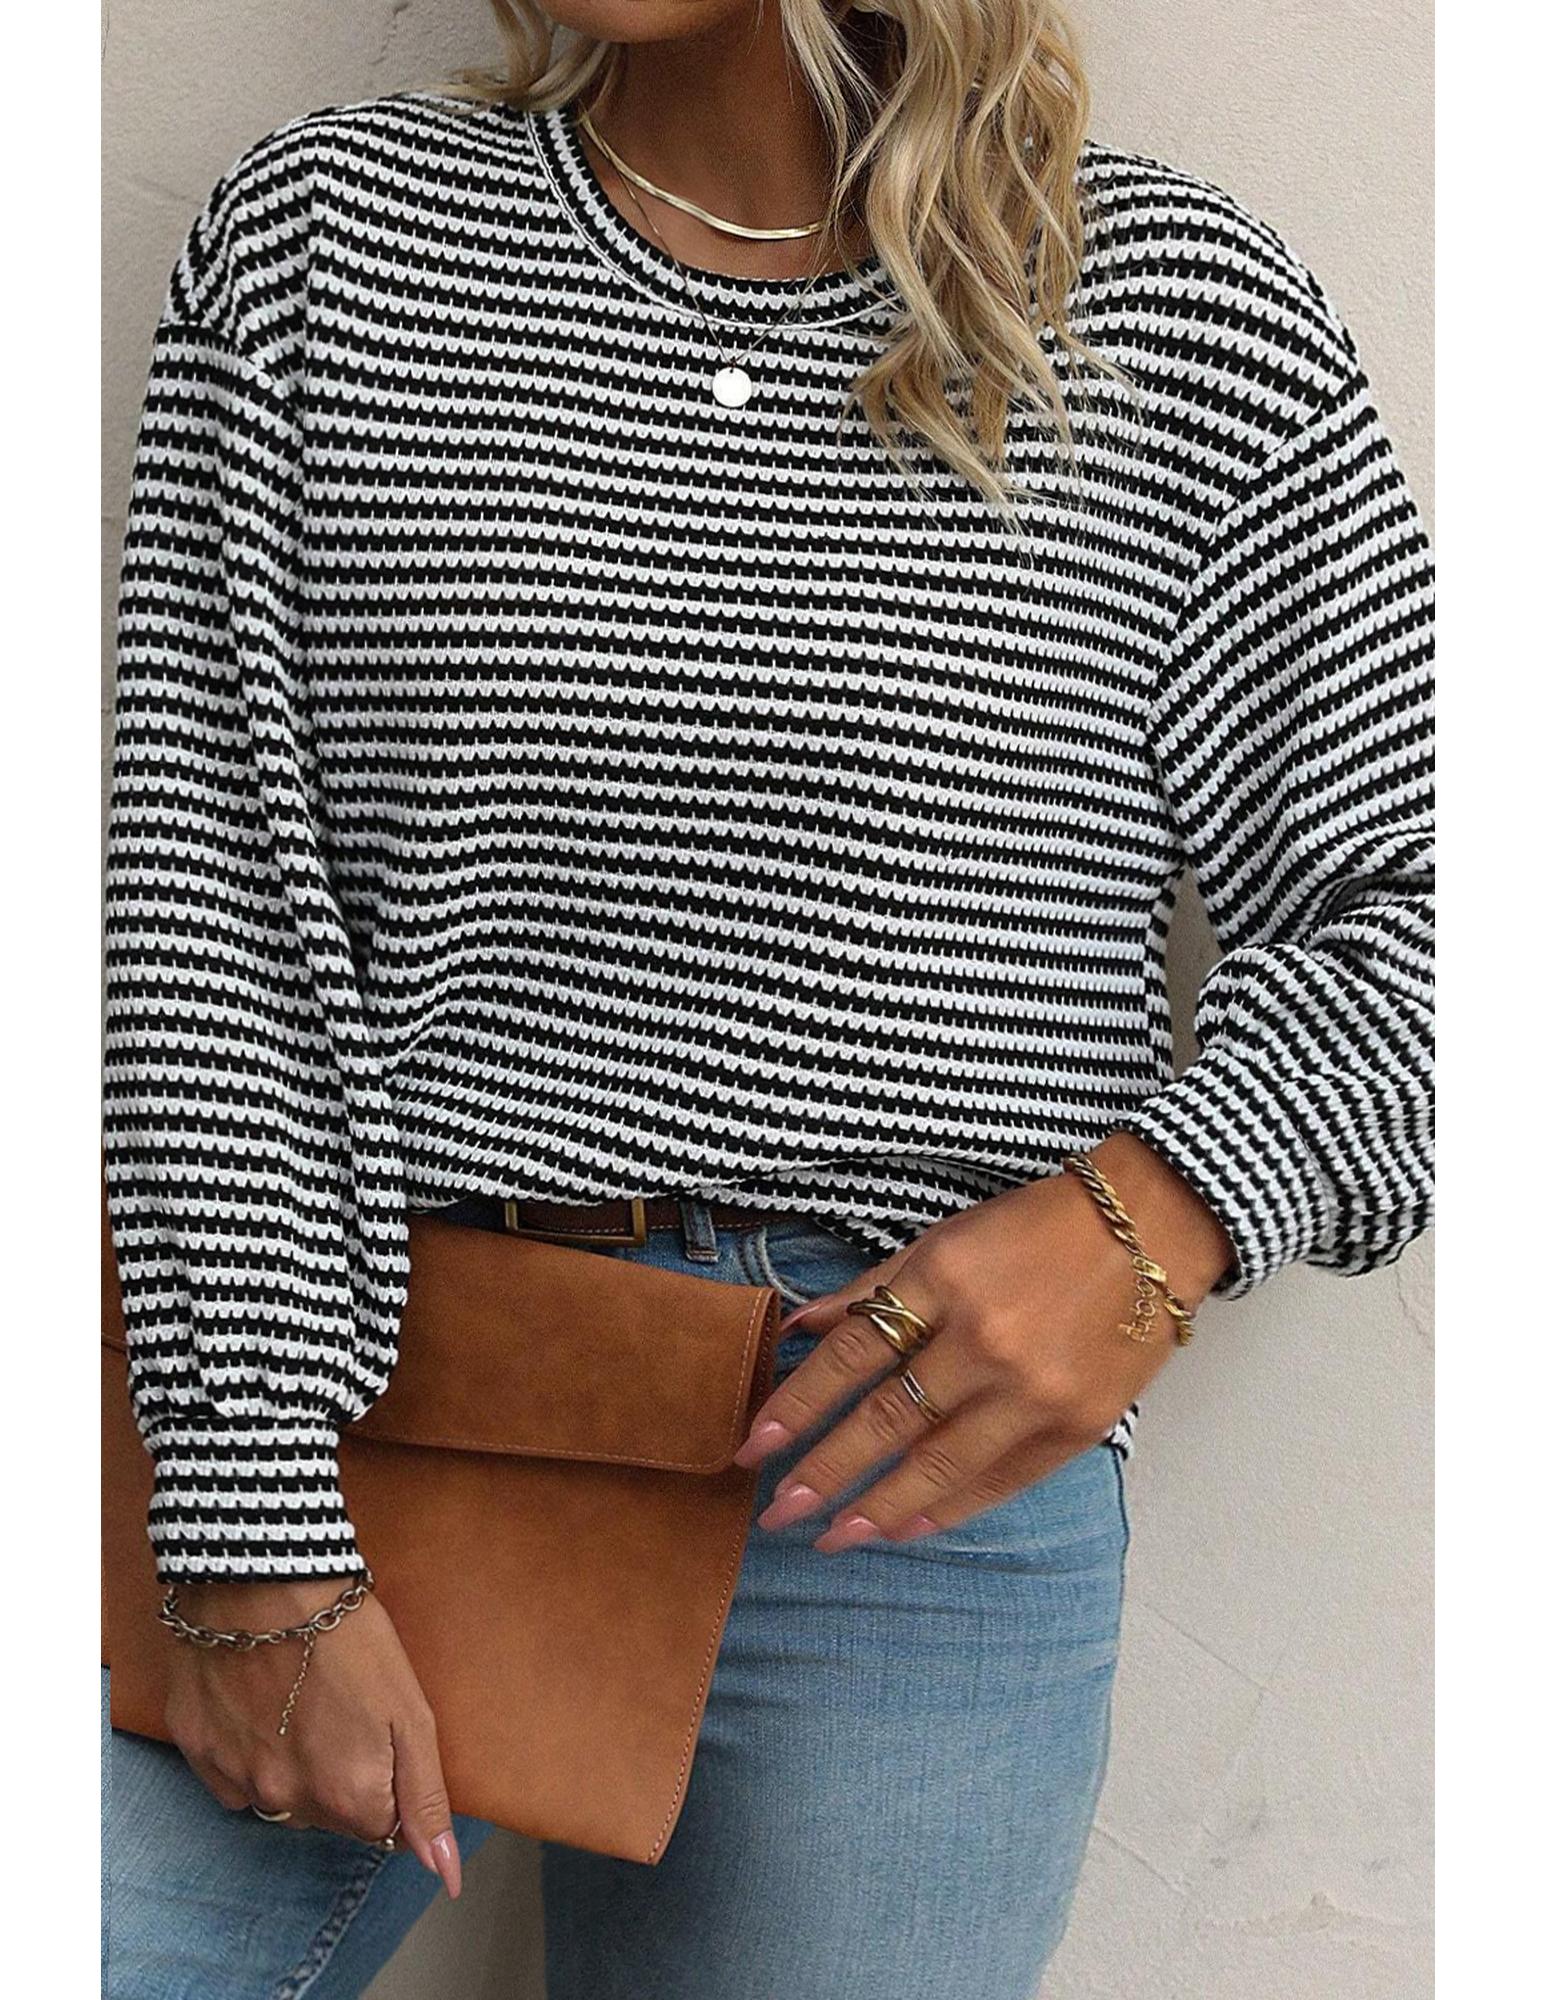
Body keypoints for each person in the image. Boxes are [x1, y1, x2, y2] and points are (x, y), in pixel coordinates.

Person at [99, 2, 1434, 1994]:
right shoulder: (330, 245)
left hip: (905, 1473)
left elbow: (1428, 916)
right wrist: (250, 1530)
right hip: (380, 1395)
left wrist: (1153, 1216)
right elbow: (205, 909)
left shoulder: (1173, 312)